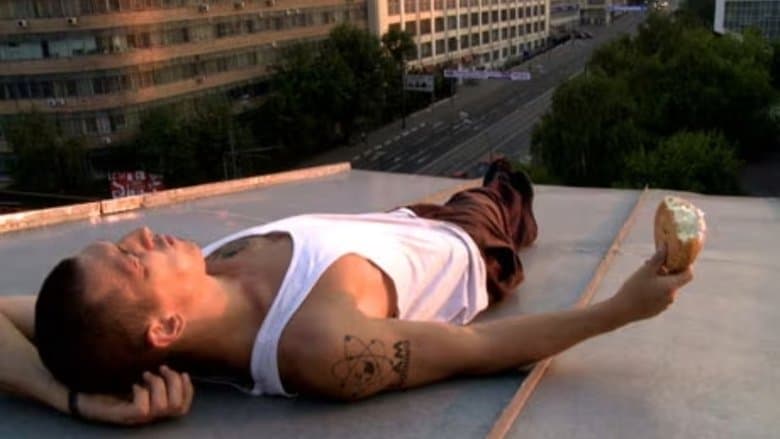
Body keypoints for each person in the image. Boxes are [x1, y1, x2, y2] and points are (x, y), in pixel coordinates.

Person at [0, 160, 693, 426]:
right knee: (503, 185)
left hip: (394, 223)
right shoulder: (321, 345)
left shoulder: (165, 300)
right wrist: (620, 309)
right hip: (469, 240)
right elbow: (478, 348)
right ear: (164, 327)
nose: (143, 235)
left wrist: (71, 400)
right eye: (133, 260)